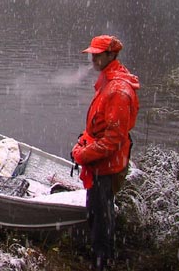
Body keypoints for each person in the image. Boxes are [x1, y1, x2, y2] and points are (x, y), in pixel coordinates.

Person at [71, 35, 140, 270]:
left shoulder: (118, 90)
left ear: (111, 55)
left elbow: (112, 140)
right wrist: (84, 139)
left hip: (107, 166)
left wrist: (82, 154)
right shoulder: (109, 81)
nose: (93, 59)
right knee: (97, 212)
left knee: (102, 217)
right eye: (93, 54)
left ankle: (102, 262)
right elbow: (101, 126)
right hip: (101, 165)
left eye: (98, 54)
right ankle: (99, 256)